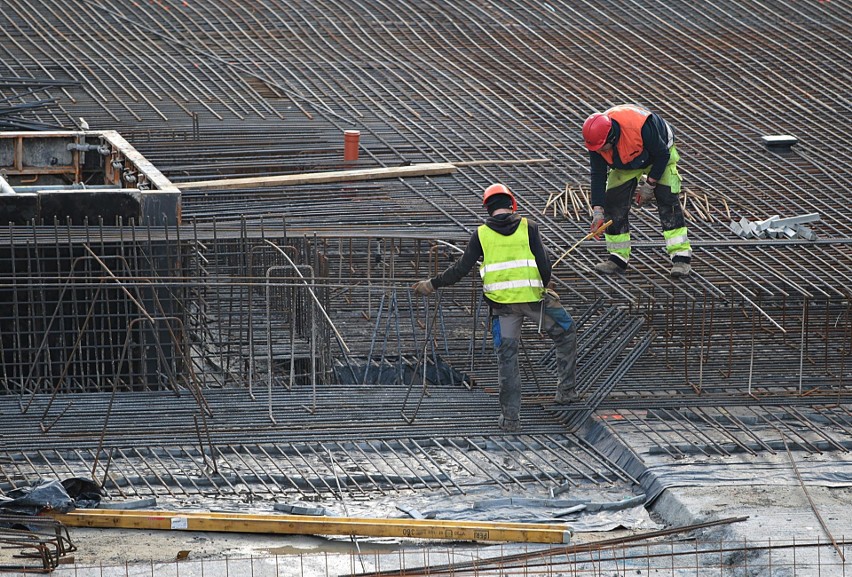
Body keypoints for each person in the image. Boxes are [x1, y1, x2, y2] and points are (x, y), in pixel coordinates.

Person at [412, 183, 578, 432]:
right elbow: (544, 263)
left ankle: (511, 419)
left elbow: (460, 269)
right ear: (512, 204)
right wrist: (545, 287)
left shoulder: (481, 234)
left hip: (503, 309)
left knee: (507, 359)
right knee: (566, 331)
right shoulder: (529, 227)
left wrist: (432, 284)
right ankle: (565, 392)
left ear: (487, 209)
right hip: (534, 301)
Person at [583, 104, 692, 277]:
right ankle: (617, 259)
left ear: (612, 137)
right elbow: (597, 174)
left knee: (667, 200)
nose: (601, 152)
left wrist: (650, 185)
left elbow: (662, 154)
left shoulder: (640, 127)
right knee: (613, 201)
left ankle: (681, 257)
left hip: (659, 155)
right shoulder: (597, 142)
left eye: (603, 148)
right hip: (627, 161)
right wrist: (597, 211)